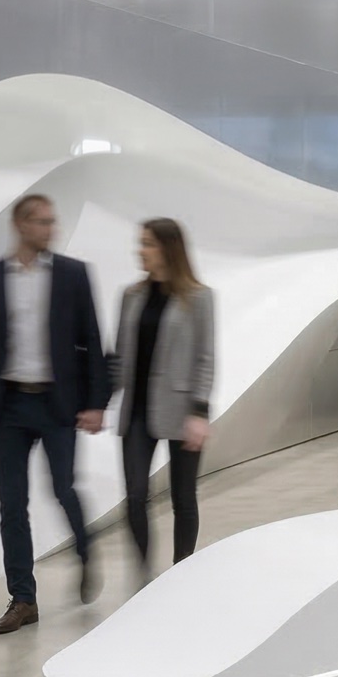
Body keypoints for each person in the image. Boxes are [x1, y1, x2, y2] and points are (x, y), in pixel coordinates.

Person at [0, 194, 108, 634]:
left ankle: (85, 546)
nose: (50, 229)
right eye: (41, 222)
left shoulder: (73, 275)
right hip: (8, 406)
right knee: (11, 507)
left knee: (63, 487)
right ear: (20, 225)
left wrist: (96, 403)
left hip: (57, 403)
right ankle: (23, 598)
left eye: (52, 221)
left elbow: (93, 341)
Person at [114, 218, 216, 583]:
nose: (140, 251)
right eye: (141, 243)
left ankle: (181, 575)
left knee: (183, 498)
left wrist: (199, 412)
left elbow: (205, 358)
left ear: (168, 249)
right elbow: (120, 358)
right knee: (135, 495)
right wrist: (96, 401)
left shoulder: (199, 297)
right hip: (137, 413)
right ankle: (144, 578)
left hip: (182, 410)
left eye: (148, 244)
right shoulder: (131, 297)